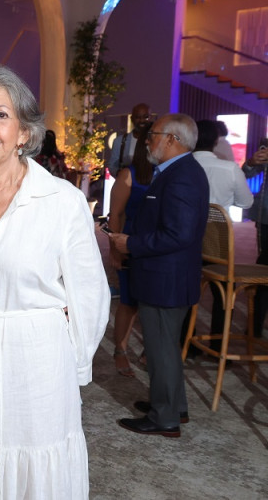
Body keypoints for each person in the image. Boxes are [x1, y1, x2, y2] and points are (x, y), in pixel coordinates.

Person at [0, 65, 110, 498]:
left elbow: (89, 295)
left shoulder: (61, 202)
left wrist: (75, 363)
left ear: (24, 132)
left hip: (38, 365)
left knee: (35, 465)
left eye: (0, 115)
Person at [111, 113, 209, 437]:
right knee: (164, 347)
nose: (147, 140)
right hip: (165, 275)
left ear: (172, 139)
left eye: (153, 134)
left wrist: (131, 243)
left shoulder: (181, 175)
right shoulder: (177, 172)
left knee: (160, 349)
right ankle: (172, 405)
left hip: (165, 278)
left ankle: (164, 416)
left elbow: (177, 234)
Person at [190, 119, 253, 352]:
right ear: (217, 141)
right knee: (222, 290)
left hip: (188, 240)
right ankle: (218, 346)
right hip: (218, 244)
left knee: (189, 287)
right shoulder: (230, 169)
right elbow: (246, 201)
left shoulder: (184, 167)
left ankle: (187, 342)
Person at [107, 122, 154, 377]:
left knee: (153, 304)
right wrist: (115, 250)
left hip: (157, 248)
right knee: (129, 302)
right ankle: (121, 350)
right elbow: (115, 214)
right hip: (131, 246)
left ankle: (150, 350)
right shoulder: (129, 174)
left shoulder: (167, 172)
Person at [242, 136, 268, 338]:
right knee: (264, 270)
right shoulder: (266, 144)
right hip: (266, 215)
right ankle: (256, 324)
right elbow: (247, 173)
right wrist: (251, 162)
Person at [107, 103, 151, 177]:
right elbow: (112, 166)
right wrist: (122, 176)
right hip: (127, 185)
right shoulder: (120, 141)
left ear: (150, 118)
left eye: (146, 117)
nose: (142, 120)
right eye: (138, 117)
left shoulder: (156, 141)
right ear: (132, 119)